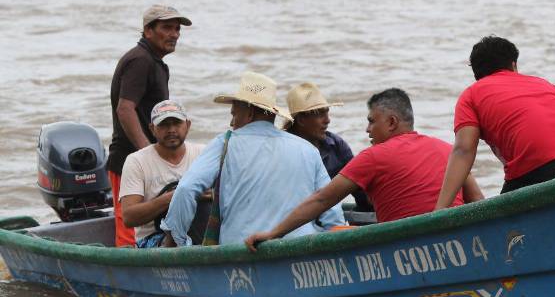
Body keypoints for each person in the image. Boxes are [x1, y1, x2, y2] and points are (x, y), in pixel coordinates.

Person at [244, 88, 483, 250]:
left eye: (371, 121)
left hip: (407, 247)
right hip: (454, 241)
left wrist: (273, 234)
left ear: (391, 122)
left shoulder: (373, 156)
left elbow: (321, 200)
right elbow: (478, 202)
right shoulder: (448, 150)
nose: (367, 130)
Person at [434, 35, 555, 210]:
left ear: (476, 74)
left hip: (536, 169)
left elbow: (463, 150)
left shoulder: (471, 95)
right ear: (514, 65)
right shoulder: (542, 84)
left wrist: (439, 211)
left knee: (503, 227)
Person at [161, 72, 345, 246]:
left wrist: (179, 240)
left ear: (249, 113)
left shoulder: (225, 143)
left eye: (234, 114)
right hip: (299, 248)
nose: (232, 122)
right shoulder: (307, 149)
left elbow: (185, 190)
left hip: (242, 251)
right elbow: (331, 211)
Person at [107, 4, 192, 247]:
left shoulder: (154, 62)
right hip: (128, 160)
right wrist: (149, 155)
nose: (174, 34)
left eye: (177, 29)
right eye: (167, 27)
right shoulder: (140, 60)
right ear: (148, 31)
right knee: (129, 235)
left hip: (141, 159)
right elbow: (125, 109)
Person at [118, 100, 205, 248]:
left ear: (188, 125)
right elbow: (128, 217)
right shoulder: (136, 161)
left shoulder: (203, 154)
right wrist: (175, 197)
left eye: (176, 123)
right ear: (152, 129)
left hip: (202, 229)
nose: (171, 129)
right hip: (154, 237)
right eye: (164, 124)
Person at [284, 82, 370, 210]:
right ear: (301, 120)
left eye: (327, 113)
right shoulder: (282, 149)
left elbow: (360, 190)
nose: (328, 120)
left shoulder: (336, 145)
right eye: (320, 114)